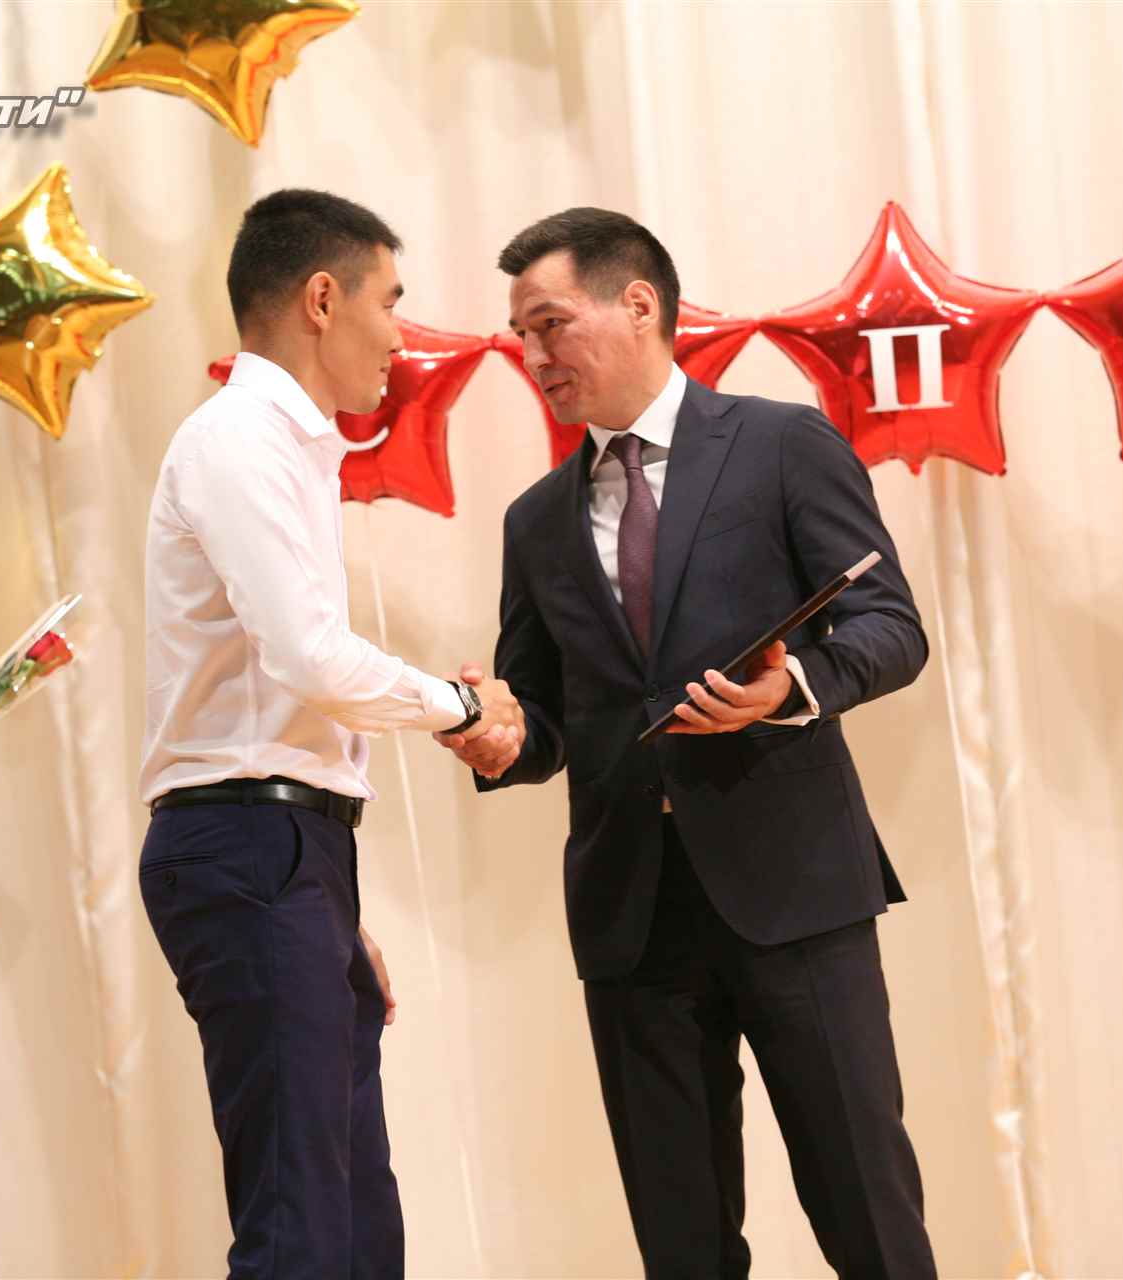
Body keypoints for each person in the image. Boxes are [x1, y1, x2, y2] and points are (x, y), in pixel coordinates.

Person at [441, 208, 937, 1279]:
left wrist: (790, 688)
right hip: (631, 917)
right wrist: (501, 738)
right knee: (683, 1246)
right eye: (520, 334)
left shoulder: (780, 444)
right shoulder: (534, 520)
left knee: (868, 1212)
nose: (533, 355)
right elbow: (547, 718)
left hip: (796, 892)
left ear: (639, 304)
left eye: (550, 323)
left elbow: (892, 628)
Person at [137, 188, 521, 1279]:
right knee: (299, 1227)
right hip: (249, 844)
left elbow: (295, 690)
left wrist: (328, 904)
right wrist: (462, 707)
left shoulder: (288, 447)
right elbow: (307, 655)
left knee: (356, 1225)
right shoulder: (237, 440)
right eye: (389, 301)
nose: (401, 335)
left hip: (288, 849)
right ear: (321, 299)